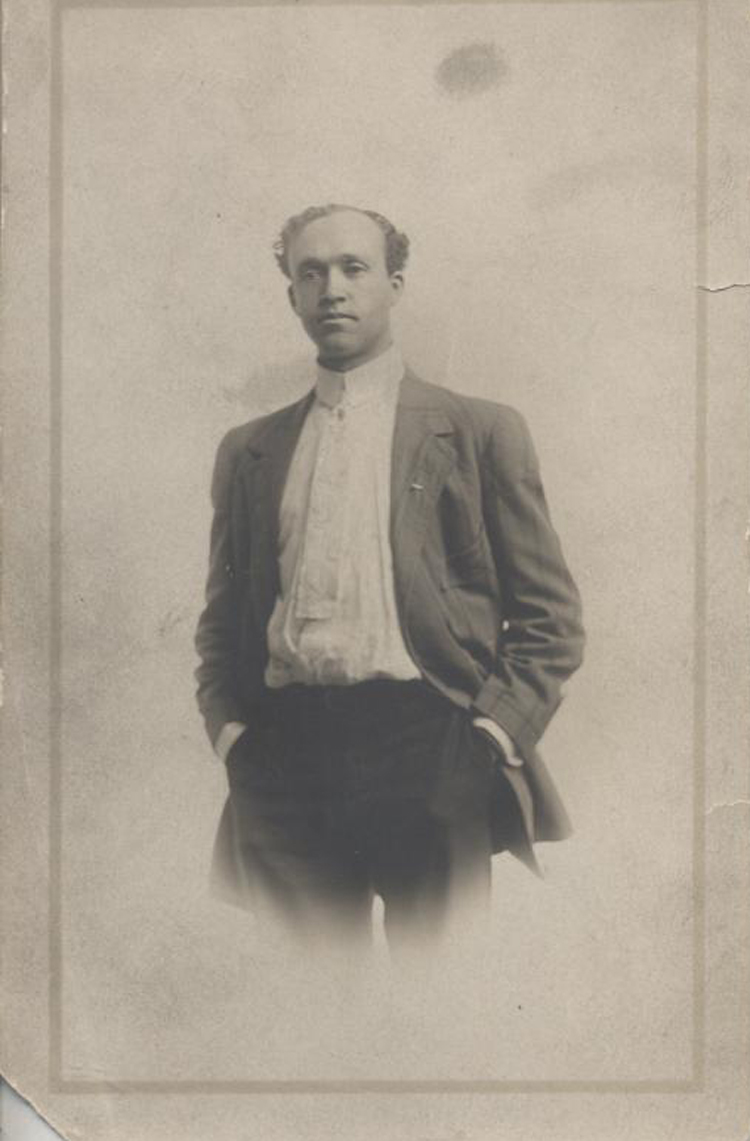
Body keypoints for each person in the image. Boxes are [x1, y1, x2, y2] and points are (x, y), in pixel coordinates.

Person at [194, 203, 584, 954]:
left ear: (394, 284)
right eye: (311, 273)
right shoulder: (250, 450)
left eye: (353, 268)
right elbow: (223, 619)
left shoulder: (478, 431)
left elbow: (551, 619)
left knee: (436, 1000)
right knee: (306, 1003)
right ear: (292, 295)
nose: (332, 289)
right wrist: (233, 736)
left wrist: (488, 738)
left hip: (432, 747)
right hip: (284, 760)